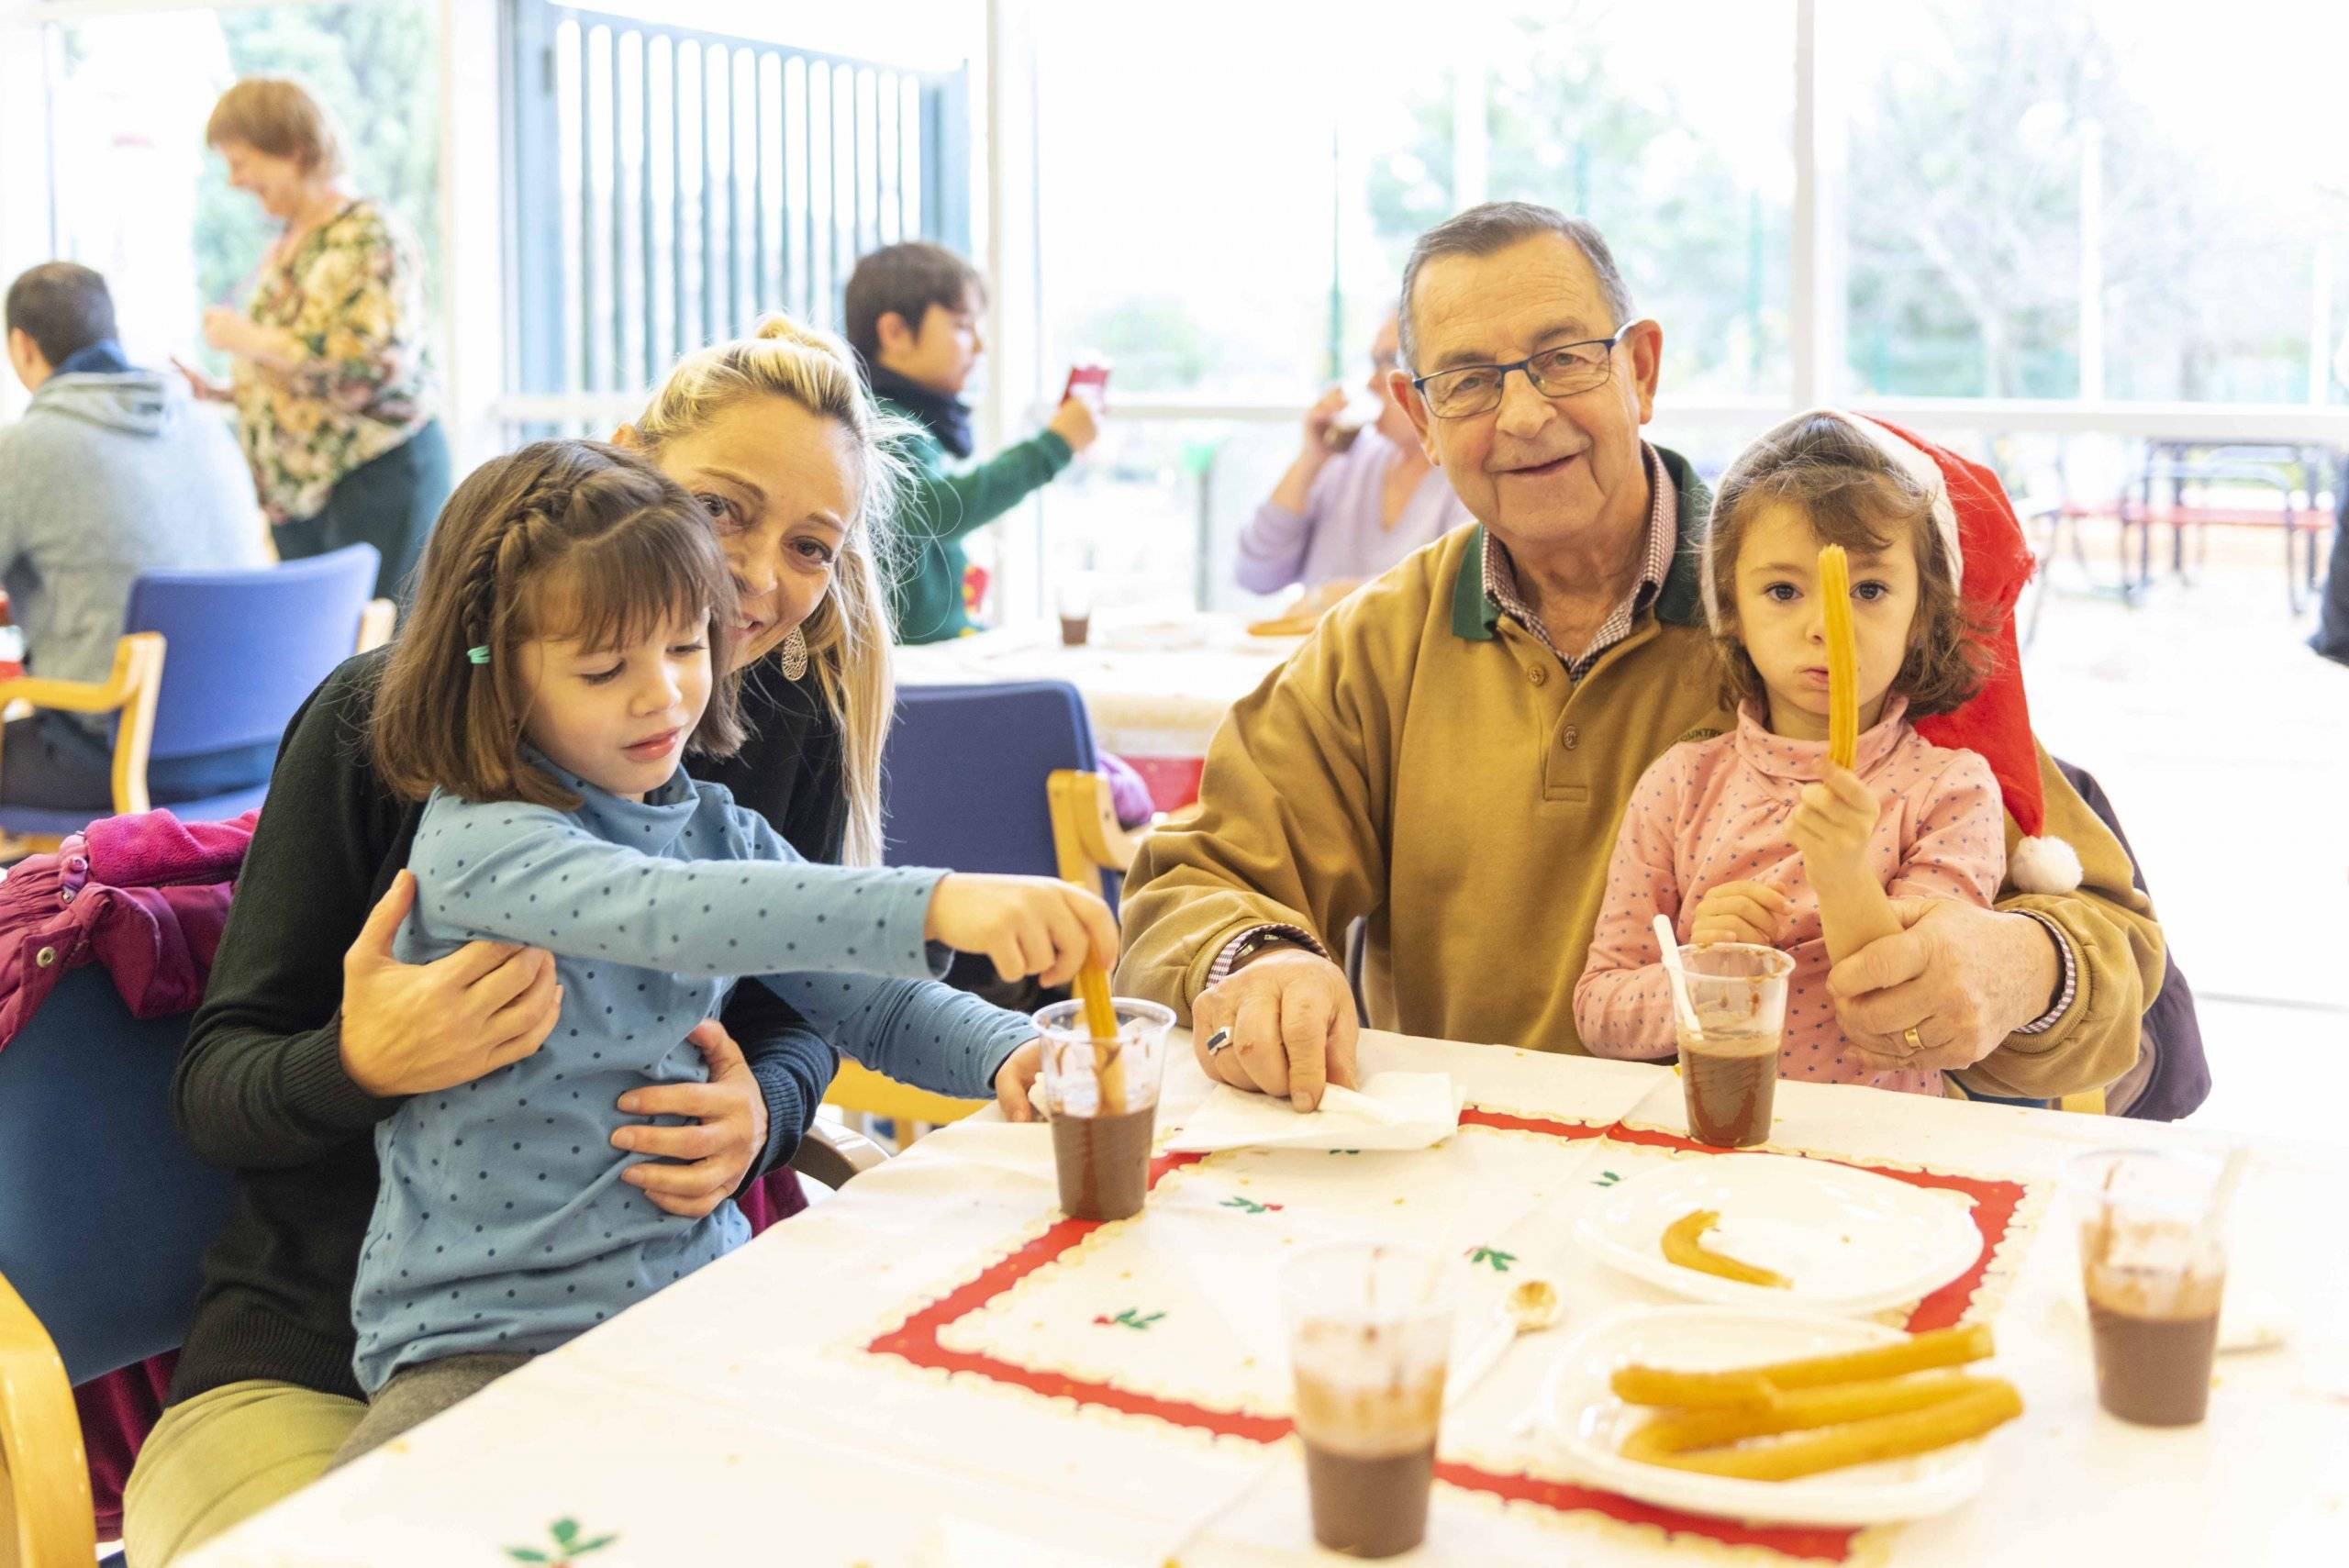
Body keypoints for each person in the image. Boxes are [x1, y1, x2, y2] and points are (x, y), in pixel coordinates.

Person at [123, 316, 918, 1565]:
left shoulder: (777, 736)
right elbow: (215, 1093)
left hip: (645, 1324)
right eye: (724, 509)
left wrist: (764, 1109)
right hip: (327, 1355)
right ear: (622, 472)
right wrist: (362, 1058)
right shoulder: (378, 724)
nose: (759, 578)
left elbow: (803, 1003)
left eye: (809, 546)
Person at [1115, 202, 2165, 1114]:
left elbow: (2110, 937)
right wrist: (1256, 960)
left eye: (1565, 358)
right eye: (1470, 381)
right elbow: (1194, 877)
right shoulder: (1379, 646)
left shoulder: (1825, 606)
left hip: (1782, 1186)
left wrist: (2026, 964)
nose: (1525, 415)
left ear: (1642, 369)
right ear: (1419, 419)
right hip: (1465, 1179)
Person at [324, 439, 1100, 1465]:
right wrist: (942, 901)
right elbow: (667, 910)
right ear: (496, 671)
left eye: (686, 647)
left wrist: (1013, 1052)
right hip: (475, 1348)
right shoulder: (480, 836)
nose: (662, 697)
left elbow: (871, 1003)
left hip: (698, 1303)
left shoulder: (714, 823)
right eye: (605, 666)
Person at [1577, 409, 2090, 1095]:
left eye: (1869, 590)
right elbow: (1599, 1010)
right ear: (1731, 608)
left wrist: (1844, 872)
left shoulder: (1952, 790)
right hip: (1713, 1142)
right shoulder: (1681, 783)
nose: (1827, 627)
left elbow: (1899, 1011)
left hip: (1883, 1158)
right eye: (1784, 591)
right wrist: (1703, 976)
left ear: (1923, 615)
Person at [0, 261, 267, 807]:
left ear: (22, 346)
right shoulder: (206, 428)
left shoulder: (24, 448)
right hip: (263, 750)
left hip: (125, 760)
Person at [177, 78, 451, 603]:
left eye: (243, 162)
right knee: (328, 667)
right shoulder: (286, 242)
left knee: (381, 662)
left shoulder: (368, 233)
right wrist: (226, 392)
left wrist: (248, 337)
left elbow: (376, 362)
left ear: (294, 149)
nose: (235, 182)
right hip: (305, 499)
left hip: (377, 476)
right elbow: (305, 371)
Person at [842, 240, 1099, 643]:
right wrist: (1053, 445)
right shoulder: (878, 421)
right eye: (963, 326)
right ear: (894, 331)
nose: (980, 346)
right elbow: (937, 509)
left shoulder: (907, 415)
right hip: (909, 670)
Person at [1236, 311, 1471, 600]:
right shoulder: (1347, 460)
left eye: (1391, 362)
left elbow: (1454, 592)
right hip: (1316, 646)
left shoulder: (1468, 475)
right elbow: (1256, 573)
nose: (1372, 383)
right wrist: (1311, 459)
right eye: (1373, 363)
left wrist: (1325, 600)